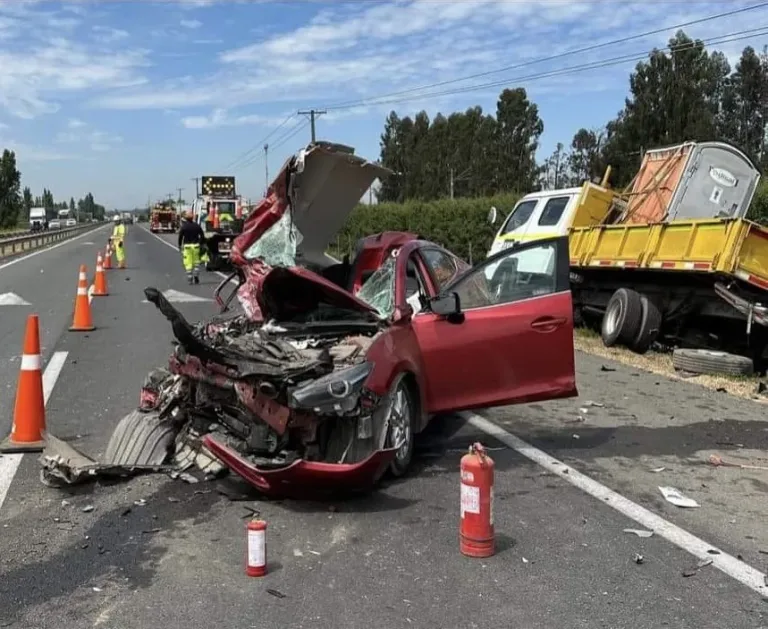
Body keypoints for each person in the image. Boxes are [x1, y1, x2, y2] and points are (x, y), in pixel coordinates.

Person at [178, 211, 206, 284]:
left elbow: (180, 237)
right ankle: (196, 276)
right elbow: (202, 236)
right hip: (196, 246)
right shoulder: (197, 226)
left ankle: (190, 278)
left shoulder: (184, 227)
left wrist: (179, 245)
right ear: (192, 218)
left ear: (186, 218)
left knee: (188, 263)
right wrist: (200, 243)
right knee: (196, 263)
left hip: (187, 247)